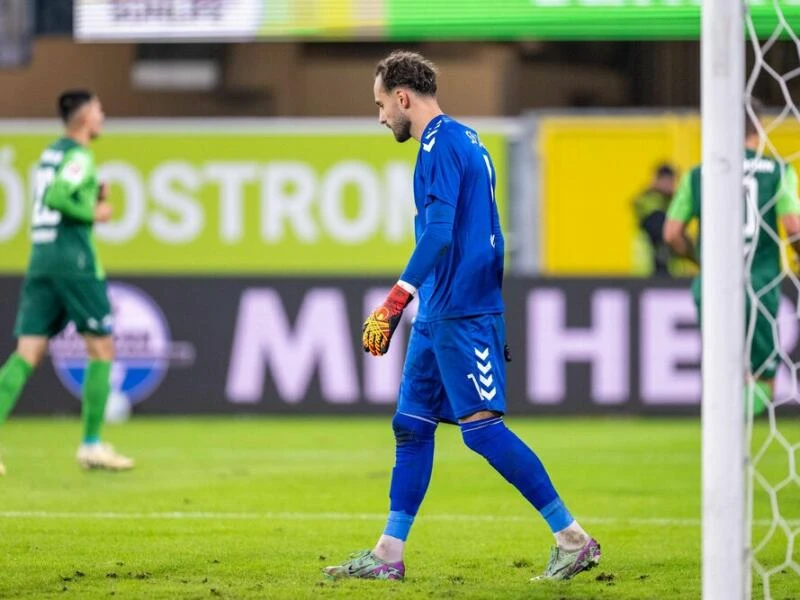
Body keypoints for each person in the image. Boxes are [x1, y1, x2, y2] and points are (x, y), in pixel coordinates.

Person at [323, 51, 600, 583]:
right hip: (442, 308)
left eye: (381, 104)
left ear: (403, 97)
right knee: (411, 426)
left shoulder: (439, 146)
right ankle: (387, 553)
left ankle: (573, 538)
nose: (381, 116)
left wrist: (394, 300)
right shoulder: (468, 140)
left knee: (481, 431)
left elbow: (439, 232)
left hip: (459, 310)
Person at [0, 90, 134, 474]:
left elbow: (55, 190)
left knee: (28, 352)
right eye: (99, 109)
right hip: (72, 260)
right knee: (102, 348)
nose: (103, 116)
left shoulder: (51, 153)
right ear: (85, 117)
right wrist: (93, 210)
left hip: (41, 255)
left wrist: (90, 193)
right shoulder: (79, 155)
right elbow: (60, 195)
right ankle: (91, 445)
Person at [663, 100, 800, 416]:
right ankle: (738, 441)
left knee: (720, 369)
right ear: (760, 127)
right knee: (763, 372)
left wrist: (697, 259)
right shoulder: (779, 171)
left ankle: (721, 438)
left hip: (712, 285)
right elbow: (793, 226)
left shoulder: (698, 174)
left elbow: (672, 233)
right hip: (759, 282)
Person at [633, 164, 677, 276]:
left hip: (670, 272)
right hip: (648, 270)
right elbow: (663, 230)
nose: (670, 185)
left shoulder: (671, 203)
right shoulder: (649, 203)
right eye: (666, 180)